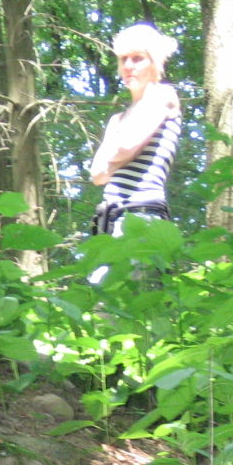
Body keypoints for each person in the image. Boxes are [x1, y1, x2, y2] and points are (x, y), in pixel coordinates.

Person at [86, 23, 181, 283]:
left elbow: (125, 145)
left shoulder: (163, 95)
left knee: (133, 300)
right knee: (102, 300)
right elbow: (97, 174)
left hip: (143, 217)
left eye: (137, 58)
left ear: (154, 63)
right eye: (123, 59)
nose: (128, 66)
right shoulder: (118, 119)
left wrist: (115, 156)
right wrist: (119, 154)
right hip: (109, 223)